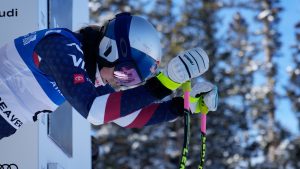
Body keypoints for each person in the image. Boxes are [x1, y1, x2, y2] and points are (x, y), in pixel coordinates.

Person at [0, 12, 218, 140]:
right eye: (126, 74)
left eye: (132, 81)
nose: (121, 84)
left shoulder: (91, 71)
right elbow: (95, 111)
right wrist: (165, 83)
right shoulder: (62, 46)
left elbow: (129, 116)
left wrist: (184, 106)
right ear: (109, 50)